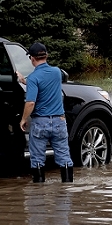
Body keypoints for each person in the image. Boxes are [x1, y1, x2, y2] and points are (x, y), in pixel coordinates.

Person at [17, 42, 74, 183]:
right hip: (59, 122)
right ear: (46, 55)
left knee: (37, 159)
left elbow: (30, 102)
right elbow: (46, 80)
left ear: (32, 58)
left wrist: (23, 119)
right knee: (64, 157)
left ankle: (38, 195)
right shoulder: (56, 72)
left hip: (40, 123)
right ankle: (66, 193)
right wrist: (24, 80)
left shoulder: (34, 78)